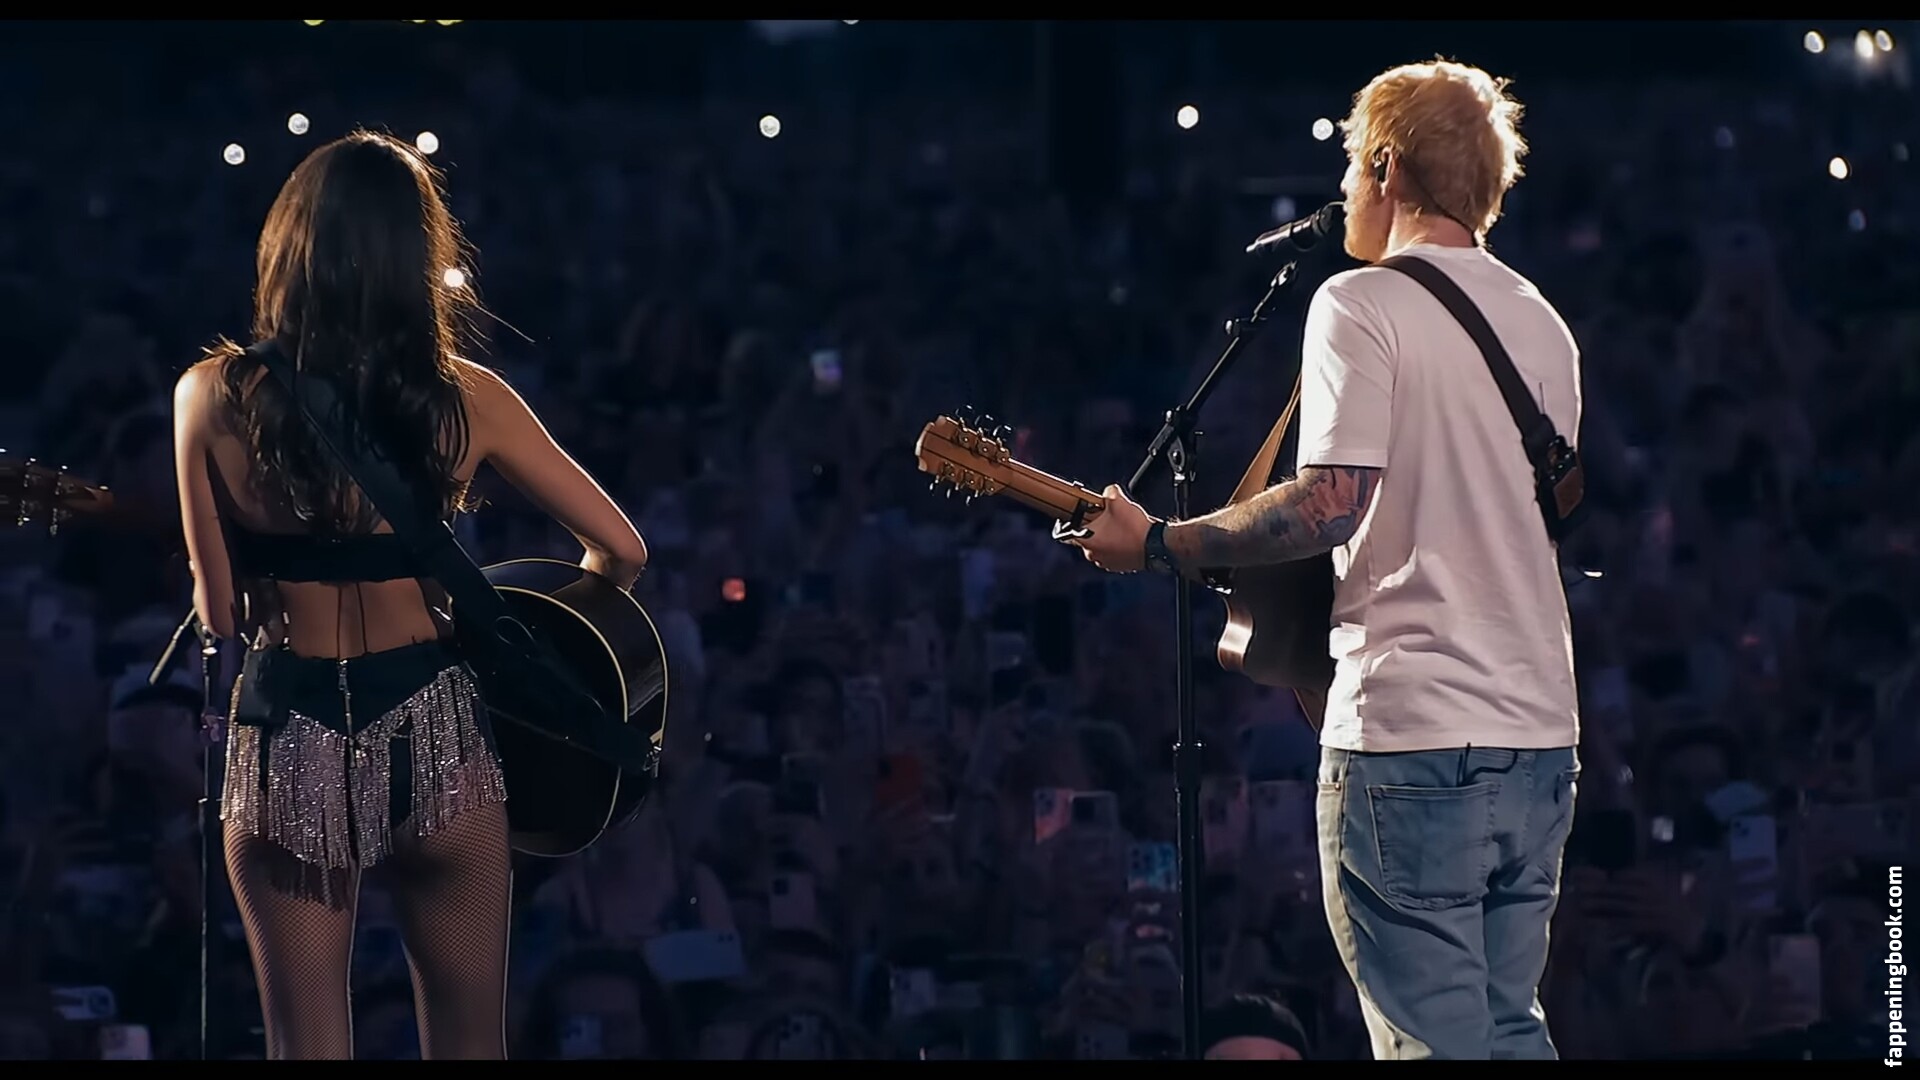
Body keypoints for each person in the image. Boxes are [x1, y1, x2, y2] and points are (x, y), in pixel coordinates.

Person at [1070, 59, 1580, 1059]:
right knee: (1509, 1032)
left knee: (1430, 1044)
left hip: (1414, 735)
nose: (1345, 186)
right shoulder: (1543, 324)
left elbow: (1332, 502)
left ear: (1386, 166)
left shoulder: (1362, 302)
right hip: (1538, 738)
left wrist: (1163, 543)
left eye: (1351, 164)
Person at [172, 130, 649, 1059]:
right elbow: (621, 549)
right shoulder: (471, 399)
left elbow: (219, 616)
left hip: (288, 742)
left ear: (289, 244)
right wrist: (550, 634)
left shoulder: (207, 395)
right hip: (436, 737)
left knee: (305, 1045)